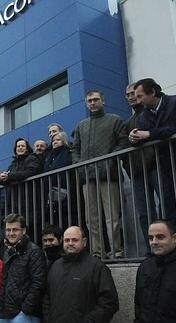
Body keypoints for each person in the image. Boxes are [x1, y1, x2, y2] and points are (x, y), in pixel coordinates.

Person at [131, 78, 176, 252]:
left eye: (140, 96)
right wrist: (134, 139)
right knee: (169, 213)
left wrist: (149, 134)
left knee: (174, 213)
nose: (138, 100)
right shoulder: (144, 115)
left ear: (153, 92)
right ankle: (173, 252)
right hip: (163, 168)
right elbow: (145, 138)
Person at [72, 90, 128, 258]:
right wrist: (78, 164)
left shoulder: (114, 120)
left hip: (109, 176)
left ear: (103, 101)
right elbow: (75, 148)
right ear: (86, 103)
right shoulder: (82, 125)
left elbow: (124, 141)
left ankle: (116, 251)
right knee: (92, 219)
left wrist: (110, 160)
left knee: (112, 217)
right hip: (87, 178)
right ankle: (97, 253)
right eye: (89, 100)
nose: (92, 103)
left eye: (96, 99)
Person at [43, 226, 119, 323]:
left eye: (75, 240)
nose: (70, 243)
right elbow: (46, 298)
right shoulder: (55, 266)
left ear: (84, 242)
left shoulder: (97, 267)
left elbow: (109, 303)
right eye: (67, 240)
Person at [123, 82, 156, 250]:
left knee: (168, 210)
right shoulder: (128, 122)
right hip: (137, 172)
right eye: (127, 94)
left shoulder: (153, 113)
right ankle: (152, 250)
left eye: (133, 93)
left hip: (157, 167)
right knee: (144, 214)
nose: (131, 96)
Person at [0, 214, 46, 323]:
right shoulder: (7, 251)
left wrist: (26, 309)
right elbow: (4, 281)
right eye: (8, 230)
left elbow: (38, 283)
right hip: (5, 312)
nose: (11, 233)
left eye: (15, 230)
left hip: (23, 314)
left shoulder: (34, 251)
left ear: (23, 231)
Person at [42, 132, 73, 228]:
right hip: (51, 194)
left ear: (63, 141)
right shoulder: (49, 156)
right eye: (53, 141)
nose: (54, 142)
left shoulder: (68, 153)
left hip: (64, 191)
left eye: (58, 140)